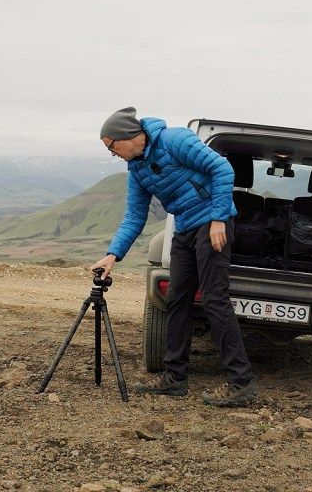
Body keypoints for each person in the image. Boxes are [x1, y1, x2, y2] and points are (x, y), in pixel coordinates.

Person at [90, 107, 257, 407]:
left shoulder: (174, 140)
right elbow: (134, 217)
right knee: (177, 298)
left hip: (211, 224)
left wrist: (219, 218)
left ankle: (241, 381)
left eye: (113, 147)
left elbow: (222, 170)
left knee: (214, 298)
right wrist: (112, 255)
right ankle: (175, 377)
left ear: (129, 136)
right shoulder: (137, 171)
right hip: (184, 229)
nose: (114, 155)